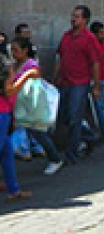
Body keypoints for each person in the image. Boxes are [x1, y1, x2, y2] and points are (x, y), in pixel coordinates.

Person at [5, 37, 64, 175]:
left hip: (30, 106)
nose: (13, 53)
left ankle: (55, 158)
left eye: (16, 50)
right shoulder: (14, 65)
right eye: (11, 50)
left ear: (25, 50)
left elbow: (31, 83)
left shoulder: (31, 65)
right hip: (16, 105)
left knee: (38, 133)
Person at [53, 5, 102, 163]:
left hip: (80, 83)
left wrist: (96, 85)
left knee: (75, 117)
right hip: (65, 82)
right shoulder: (66, 36)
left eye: (77, 16)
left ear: (85, 20)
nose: (73, 19)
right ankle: (90, 136)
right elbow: (60, 58)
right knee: (63, 117)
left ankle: (72, 154)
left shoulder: (89, 38)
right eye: (73, 16)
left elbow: (95, 62)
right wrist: (54, 78)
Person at [0, 62, 32, 200]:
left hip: (5, 116)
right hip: (1, 116)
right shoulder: (7, 84)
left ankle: (14, 190)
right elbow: (10, 91)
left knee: (7, 154)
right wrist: (27, 75)